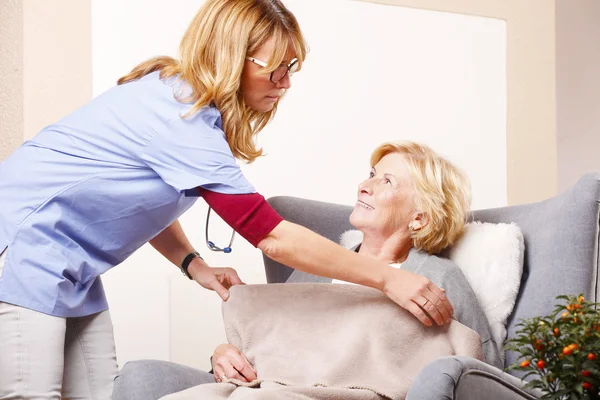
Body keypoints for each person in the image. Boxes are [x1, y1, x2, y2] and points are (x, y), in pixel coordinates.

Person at [0, 1, 453, 399]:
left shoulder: (182, 105)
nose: (284, 83)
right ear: (232, 58)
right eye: (274, 68)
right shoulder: (181, 117)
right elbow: (271, 237)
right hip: (23, 249)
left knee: (101, 394)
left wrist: (193, 264)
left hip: (72, 270)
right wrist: (388, 279)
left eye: (291, 68)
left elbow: (144, 204)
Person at [111, 141, 502, 400]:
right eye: (370, 173)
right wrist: (223, 354)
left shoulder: (437, 279)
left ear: (419, 218)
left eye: (386, 180)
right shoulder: (316, 270)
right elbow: (274, 349)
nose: (365, 185)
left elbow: (486, 373)